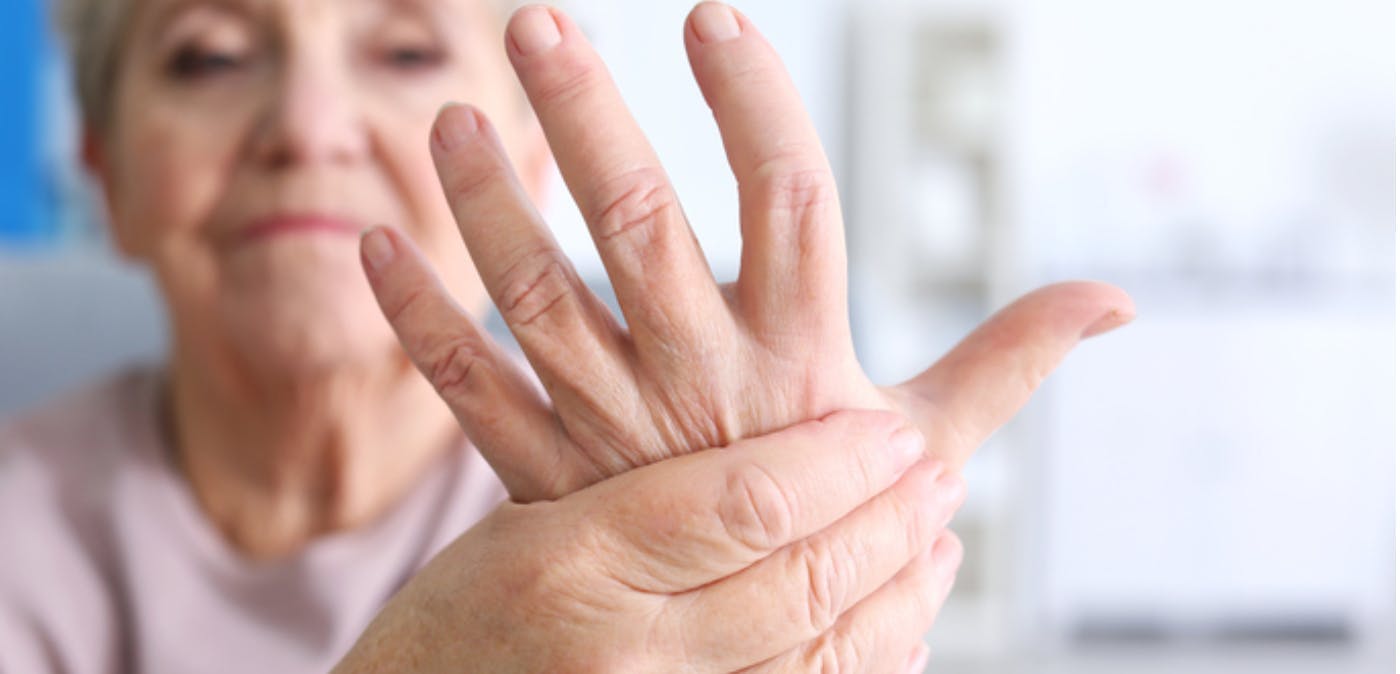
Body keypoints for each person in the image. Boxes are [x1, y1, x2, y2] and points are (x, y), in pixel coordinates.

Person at [0, 0, 1134, 672]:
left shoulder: (669, 501)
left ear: (528, 159)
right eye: (208, 55)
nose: (307, 128)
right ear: (105, 170)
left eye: (402, 52)